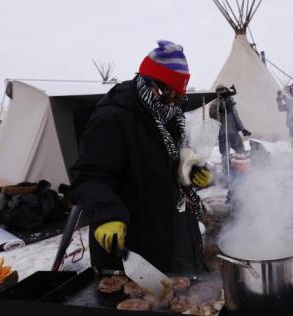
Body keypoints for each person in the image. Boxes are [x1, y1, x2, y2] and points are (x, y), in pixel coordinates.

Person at [70, 40, 213, 274]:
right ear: (150, 83)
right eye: (169, 95)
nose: (173, 103)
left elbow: (167, 162)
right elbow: (87, 177)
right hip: (132, 239)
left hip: (171, 230)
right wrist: (107, 213)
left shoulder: (169, 115)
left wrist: (193, 170)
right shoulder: (113, 118)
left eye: (179, 97)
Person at [210, 85, 251, 173]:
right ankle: (227, 173)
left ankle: (242, 170)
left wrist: (243, 129)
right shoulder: (214, 103)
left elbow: (236, 117)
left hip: (233, 132)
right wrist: (220, 108)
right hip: (223, 133)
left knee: (241, 152)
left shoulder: (230, 102)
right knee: (225, 155)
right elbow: (213, 116)